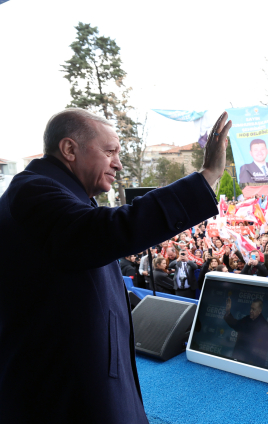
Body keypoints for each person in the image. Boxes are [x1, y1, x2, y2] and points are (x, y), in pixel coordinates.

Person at [0, 108, 228, 422]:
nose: (118, 164)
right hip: (62, 393)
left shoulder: (64, 194)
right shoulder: (33, 191)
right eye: (110, 152)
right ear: (69, 149)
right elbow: (104, 232)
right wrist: (207, 177)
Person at [224, 298, 268, 366]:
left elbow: (262, 351)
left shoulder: (264, 326)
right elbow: (235, 324)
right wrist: (228, 312)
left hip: (251, 364)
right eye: (251, 308)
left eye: (253, 309)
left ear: (259, 311)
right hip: (238, 359)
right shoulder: (247, 319)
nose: (251, 311)